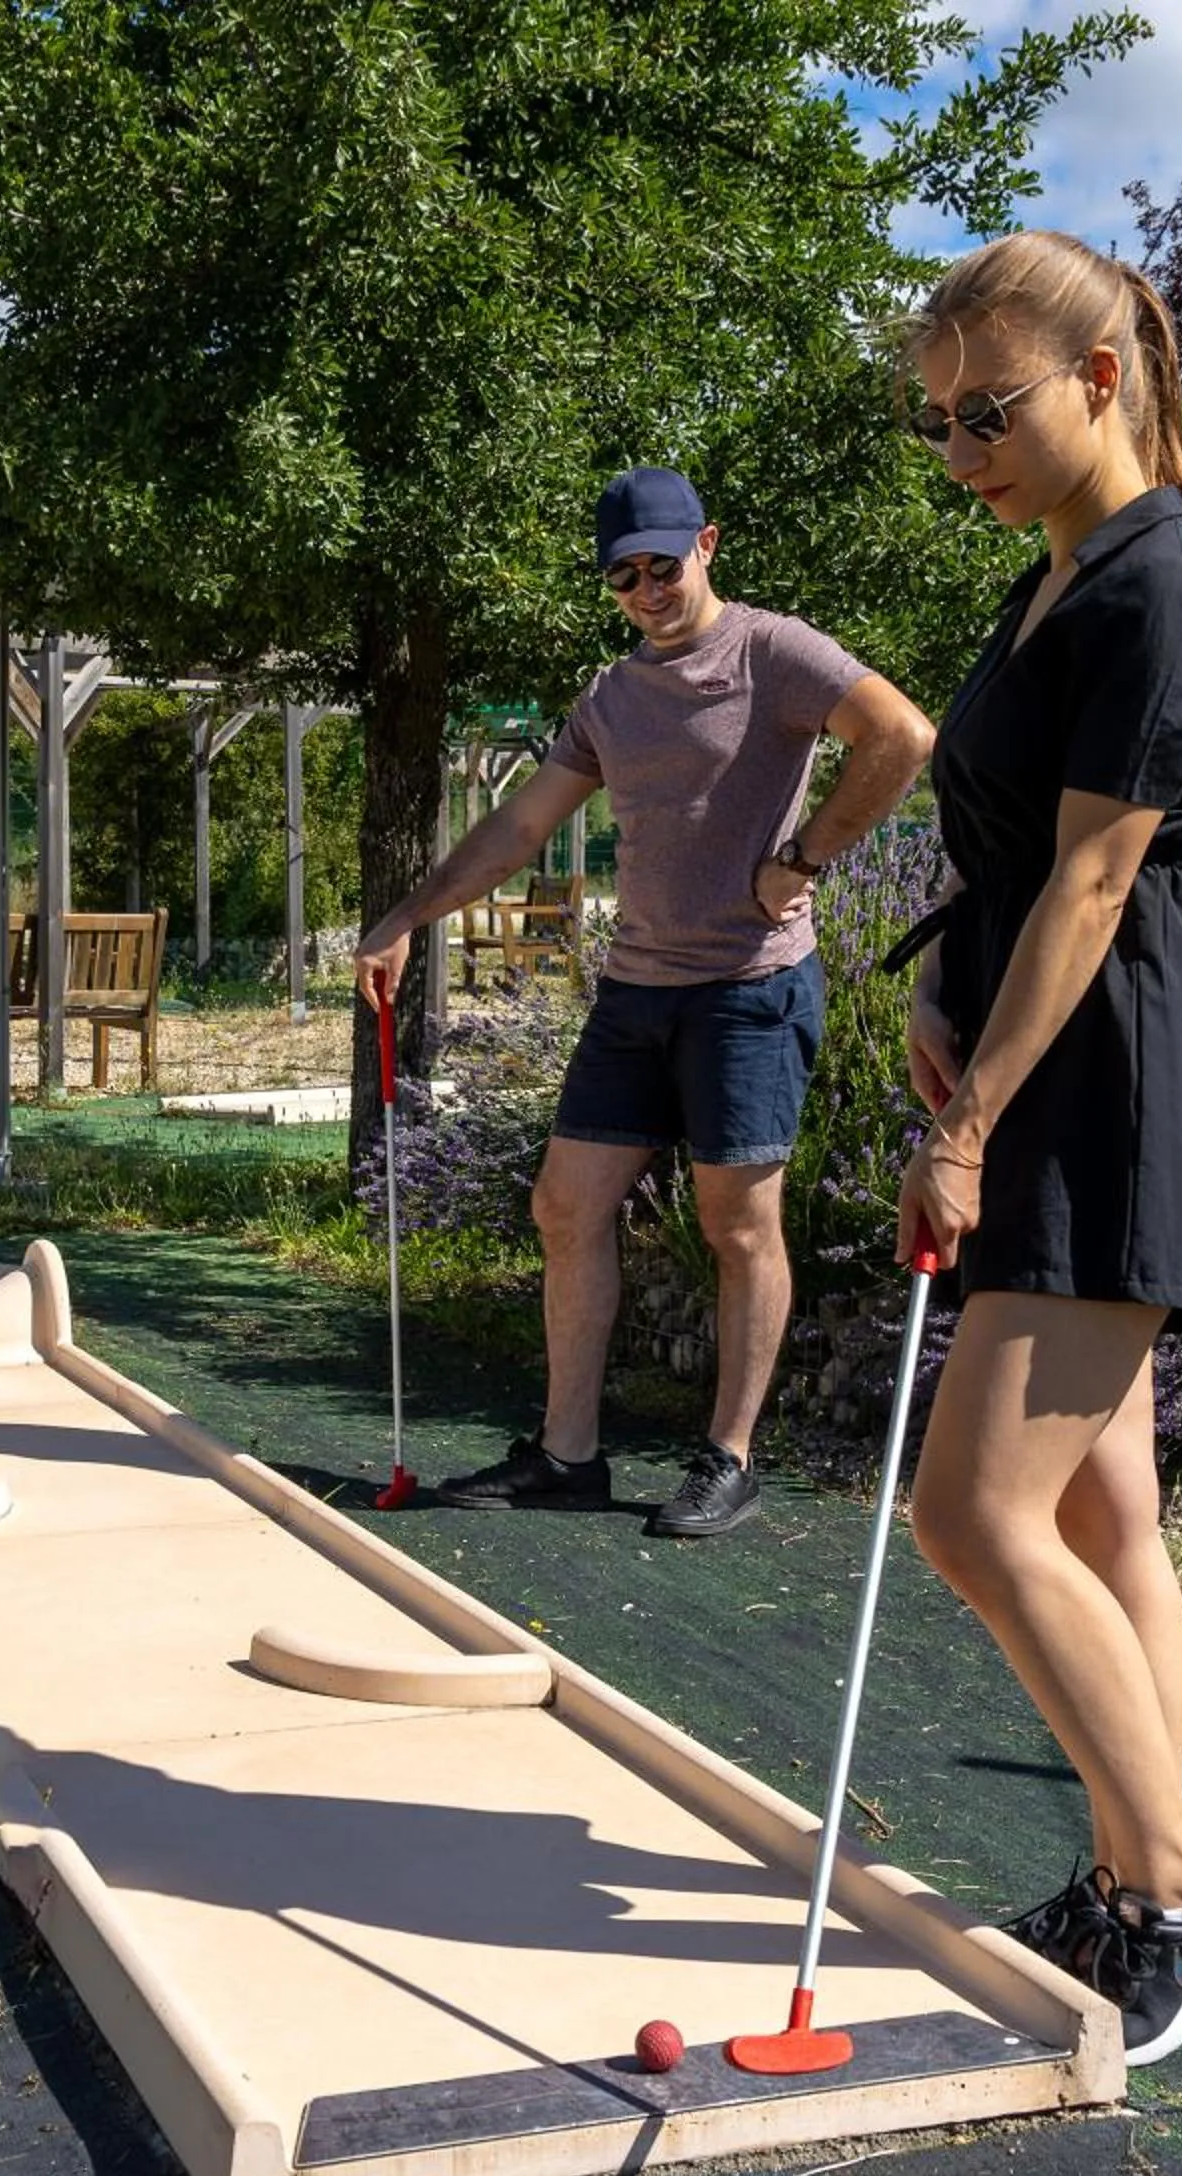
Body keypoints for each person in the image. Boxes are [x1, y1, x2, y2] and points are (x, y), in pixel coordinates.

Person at [888, 230, 1182, 2065]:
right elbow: (1021, 858)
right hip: (1055, 1044)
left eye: (988, 413)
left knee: (971, 1510)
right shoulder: (1056, 577)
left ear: (1101, 380)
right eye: (938, 425)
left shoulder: (1161, 594)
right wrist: (944, 996)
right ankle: (1133, 1885)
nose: (959, 449)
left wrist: (966, 1127)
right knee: (1108, 1510)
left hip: (1120, 1074)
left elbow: (1106, 875)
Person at [351, 467, 934, 1537]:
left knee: (737, 1222)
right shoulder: (612, 698)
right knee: (565, 1205)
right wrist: (405, 916)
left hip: (751, 989)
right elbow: (518, 829)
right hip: (637, 991)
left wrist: (803, 856)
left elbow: (902, 736)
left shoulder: (773, 651)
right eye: (624, 576)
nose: (647, 589)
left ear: (706, 545)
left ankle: (729, 1460)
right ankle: (568, 1455)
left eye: (663, 565)